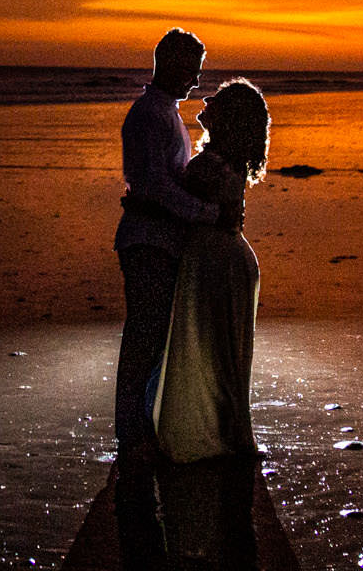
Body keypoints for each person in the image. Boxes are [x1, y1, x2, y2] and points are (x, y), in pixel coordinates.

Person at [113, 28, 218, 465]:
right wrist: (203, 212)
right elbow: (154, 185)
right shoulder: (149, 116)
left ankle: (142, 430)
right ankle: (132, 436)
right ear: (172, 65)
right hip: (147, 241)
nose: (196, 80)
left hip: (162, 241)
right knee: (143, 337)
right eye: (192, 70)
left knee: (154, 340)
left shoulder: (168, 114)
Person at [150, 78, 268, 464]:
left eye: (217, 100)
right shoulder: (224, 162)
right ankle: (229, 436)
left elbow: (173, 201)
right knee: (222, 355)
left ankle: (223, 441)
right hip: (222, 259)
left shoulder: (213, 166)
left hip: (217, 264)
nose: (207, 99)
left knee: (216, 354)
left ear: (228, 118)